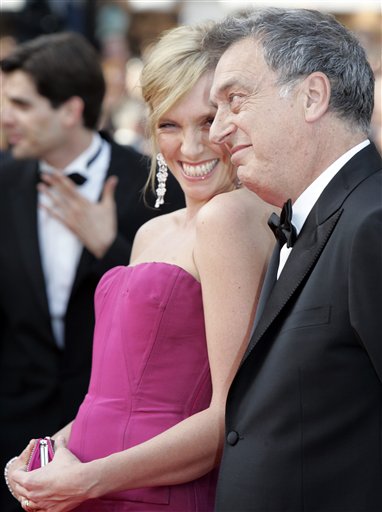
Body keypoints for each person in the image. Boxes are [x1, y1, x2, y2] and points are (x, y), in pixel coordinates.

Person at [6, 23, 274, 512]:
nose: (190, 148)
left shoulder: (230, 218)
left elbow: (227, 419)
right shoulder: (155, 231)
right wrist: (51, 449)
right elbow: (112, 395)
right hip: (87, 483)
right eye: (169, 124)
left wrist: (87, 479)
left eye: (207, 121)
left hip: (149, 493)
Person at [202, 7, 382, 512]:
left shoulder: (372, 223)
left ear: (312, 96)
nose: (217, 131)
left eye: (234, 100)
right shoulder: (302, 224)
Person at [0, 31, 184, 512]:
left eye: (20, 104)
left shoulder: (158, 187)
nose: (5, 118)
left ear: (70, 110)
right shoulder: (2, 181)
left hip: (118, 448)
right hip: (13, 439)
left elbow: (176, 310)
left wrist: (108, 247)